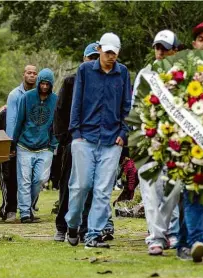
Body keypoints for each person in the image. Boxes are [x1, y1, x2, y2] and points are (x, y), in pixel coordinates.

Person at [65, 32, 132, 249]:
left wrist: (124, 133)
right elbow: (76, 102)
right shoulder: (85, 70)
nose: (111, 56)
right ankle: (73, 225)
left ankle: (93, 234)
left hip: (112, 140)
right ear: (100, 49)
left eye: (115, 52)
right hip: (85, 136)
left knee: (103, 190)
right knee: (80, 186)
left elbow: (126, 105)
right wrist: (75, 132)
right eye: (107, 51)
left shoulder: (122, 73)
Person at [134, 30, 182, 256]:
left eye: (165, 48)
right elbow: (135, 107)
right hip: (148, 139)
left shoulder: (183, 75)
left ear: (175, 50)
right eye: (157, 48)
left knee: (172, 188)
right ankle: (155, 237)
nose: (160, 52)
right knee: (150, 190)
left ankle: (171, 232)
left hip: (174, 141)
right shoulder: (145, 74)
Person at [175, 20, 203, 262]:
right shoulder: (183, 72)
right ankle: (196, 241)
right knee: (192, 193)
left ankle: (186, 242)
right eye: (201, 39)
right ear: (194, 44)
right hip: (189, 143)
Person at [53, 43, 102, 242]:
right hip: (74, 142)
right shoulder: (71, 82)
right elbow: (60, 111)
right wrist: (65, 139)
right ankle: (62, 226)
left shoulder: (105, 82)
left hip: (97, 141)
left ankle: (86, 229)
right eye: (90, 58)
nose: (93, 62)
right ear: (84, 60)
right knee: (70, 185)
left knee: (92, 187)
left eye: (96, 58)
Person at [12, 68, 58, 223]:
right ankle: (25, 212)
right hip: (24, 144)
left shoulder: (55, 100)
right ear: (39, 83)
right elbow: (19, 121)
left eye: (48, 84)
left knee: (40, 179)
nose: (44, 87)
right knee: (24, 180)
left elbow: (56, 124)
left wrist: (53, 144)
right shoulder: (27, 97)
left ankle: (29, 206)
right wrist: (13, 143)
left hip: (45, 147)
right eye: (42, 83)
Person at [0, 65, 38, 221]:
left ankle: (28, 209)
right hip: (16, 141)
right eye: (29, 73)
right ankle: (9, 209)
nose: (32, 76)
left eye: (35, 73)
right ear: (23, 75)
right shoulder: (15, 95)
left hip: (32, 143)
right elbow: (12, 120)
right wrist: (11, 143)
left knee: (31, 178)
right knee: (10, 177)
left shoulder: (38, 94)